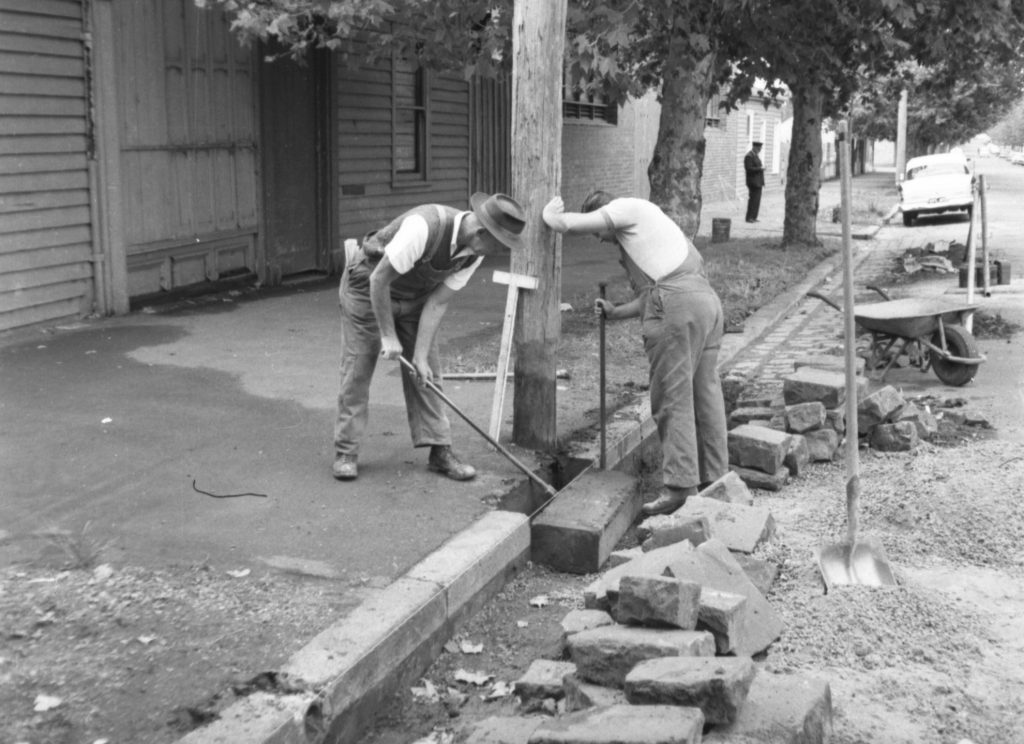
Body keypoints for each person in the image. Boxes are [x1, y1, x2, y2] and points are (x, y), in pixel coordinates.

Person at [542, 191, 729, 515]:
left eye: (600, 232)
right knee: (705, 394)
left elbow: (572, 225)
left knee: (673, 398)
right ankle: (717, 480)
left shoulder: (626, 209)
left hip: (678, 309)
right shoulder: (652, 229)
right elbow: (659, 289)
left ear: (603, 212)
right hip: (705, 305)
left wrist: (553, 218)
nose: (601, 240)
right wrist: (616, 312)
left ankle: (682, 488)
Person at [333, 192, 526, 482]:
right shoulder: (423, 227)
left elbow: (437, 303)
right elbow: (379, 280)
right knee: (358, 369)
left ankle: (440, 452)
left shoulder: (472, 254)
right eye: (497, 245)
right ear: (480, 232)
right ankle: (346, 451)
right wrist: (388, 336)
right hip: (367, 290)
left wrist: (420, 356)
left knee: (428, 374)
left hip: (414, 298)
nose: (497, 252)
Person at [744, 141, 765, 223]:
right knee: (753, 200)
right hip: (753, 182)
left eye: (760, 149)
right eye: (758, 148)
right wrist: (760, 169)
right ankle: (749, 217)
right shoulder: (749, 157)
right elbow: (749, 169)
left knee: (757, 201)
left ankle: (754, 217)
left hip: (758, 182)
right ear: (754, 147)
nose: (759, 150)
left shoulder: (756, 156)